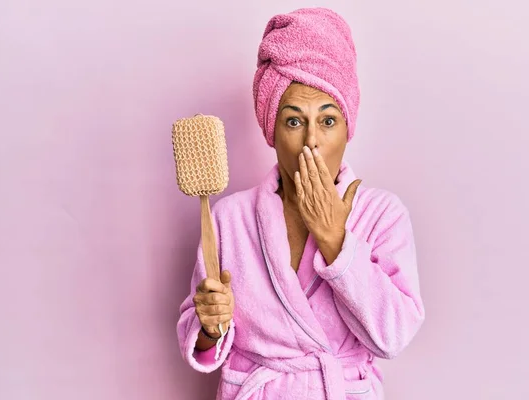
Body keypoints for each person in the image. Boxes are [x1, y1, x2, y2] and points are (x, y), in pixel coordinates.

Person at [177, 7, 425, 399]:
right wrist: (210, 325)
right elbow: (203, 337)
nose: (312, 140)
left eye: (328, 121)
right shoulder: (229, 219)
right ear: (270, 129)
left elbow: (392, 336)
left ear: (348, 128)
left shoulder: (382, 215)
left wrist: (335, 239)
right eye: (294, 121)